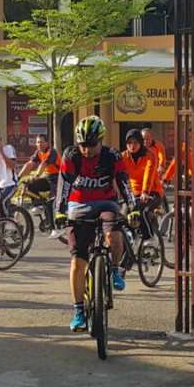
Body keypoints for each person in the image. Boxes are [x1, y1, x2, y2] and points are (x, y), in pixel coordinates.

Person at [53, 116, 138, 332]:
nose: (87, 150)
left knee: (114, 235)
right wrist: (59, 211)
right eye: (83, 145)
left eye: (91, 145)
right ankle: (79, 311)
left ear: (101, 140)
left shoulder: (112, 156)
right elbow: (63, 184)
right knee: (78, 262)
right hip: (78, 204)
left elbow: (124, 181)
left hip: (106, 202)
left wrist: (133, 206)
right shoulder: (72, 156)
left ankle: (116, 271)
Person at [18, 134, 61, 236]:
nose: (39, 144)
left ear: (47, 143)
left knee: (51, 202)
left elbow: (43, 165)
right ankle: (39, 205)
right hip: (48, 178)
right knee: (30, 185)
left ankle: (55, 229)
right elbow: (29, 164)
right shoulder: (38, 153)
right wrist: (18, 177)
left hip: (59, 179)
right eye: (37, 142)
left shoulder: (52, 152)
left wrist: (36, 175)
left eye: (41, 142)